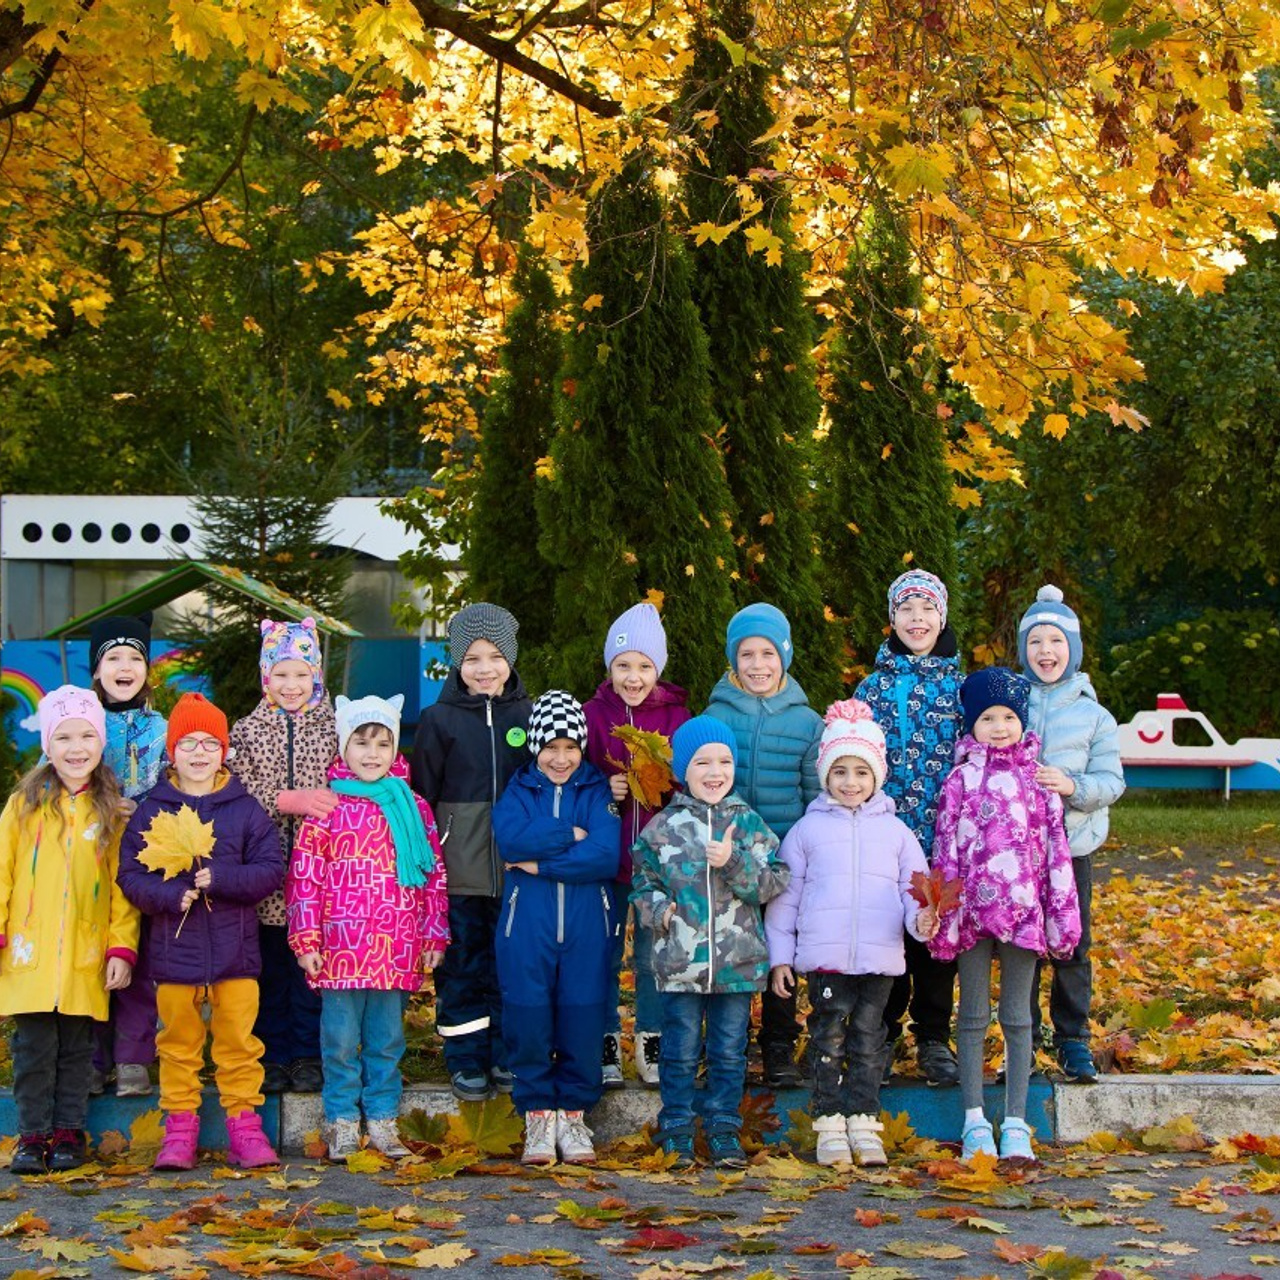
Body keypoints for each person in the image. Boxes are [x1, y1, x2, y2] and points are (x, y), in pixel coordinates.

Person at [116, 693, 284, 1169]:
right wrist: (170, 895)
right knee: (177, 1044)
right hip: (175, 955)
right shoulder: (154, 810)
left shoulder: (245, 809)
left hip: (236, 954)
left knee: (238, 1043)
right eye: (187, 742)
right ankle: (180, 1128)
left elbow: (272, 868)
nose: (198, 752)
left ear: (224, 750)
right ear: (172, 751)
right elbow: (130, 875)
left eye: (210, 742)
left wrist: (224, 879)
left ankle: (245, 1127)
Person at [765, 700, 935, 1167]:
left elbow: (914, 891)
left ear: (876, 776)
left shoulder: (898, 834)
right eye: (839, 771)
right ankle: (828, 1122)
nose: (850, 782)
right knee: (828, 1038)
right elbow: (786, 900)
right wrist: (781, 956)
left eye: (861, 772)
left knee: (868, 1038)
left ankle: (864, 1119)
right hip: (826, 960)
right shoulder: (805, 831)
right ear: (825, 775)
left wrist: (920, 921)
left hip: (880, 958)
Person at [927, 668, 1081, 1164]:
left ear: (1022, 721)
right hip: (972, 918)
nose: (998, 726)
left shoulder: (1039, 784)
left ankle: (1015, 1121)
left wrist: (1062, 918)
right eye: (987, 717)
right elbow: (945, 851)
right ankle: (974, 1119)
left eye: (1008, 717)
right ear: (971, 723)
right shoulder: (959, 781)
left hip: (1023, 918)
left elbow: (1057, 855)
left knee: (1018, 1017)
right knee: (971, 1016)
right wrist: (943, 914)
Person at [287, 694, 450, 1160]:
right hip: (340, 948)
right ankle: (341, 1120)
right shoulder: (327, 806)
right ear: (345, 747)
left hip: (395, 945)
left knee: (387, 1040)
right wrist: (305, 938)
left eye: (383, 742)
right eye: (362, 741)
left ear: (396, 748)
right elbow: (306, 877)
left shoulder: (413, 806)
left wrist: (433, 933)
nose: (372, 752)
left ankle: (381, 1119)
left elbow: (433, 874)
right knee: (339, 1042)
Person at [631, 717, 790, 1169]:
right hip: (680, 965)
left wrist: (734, 861)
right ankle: (677, 1126)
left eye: (723, 761)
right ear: (684, 770)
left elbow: (773, 882)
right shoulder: (664, 828)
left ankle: (723, 1126)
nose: (714, 771)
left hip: (737, 968)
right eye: (702, 762)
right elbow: (642, 882)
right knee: (679, 1051)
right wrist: (660, 911)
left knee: (727, 1050)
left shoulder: (750, 825)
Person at [0, 687, 139, 1175]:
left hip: (85, 954)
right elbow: (2, 870)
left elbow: (123, 887)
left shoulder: (112, 811)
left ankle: (67, 1134)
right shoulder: (24, 805)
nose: (75, 747)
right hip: (29, 954)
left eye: (86, 736)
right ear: (48, 745)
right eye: (64, 737)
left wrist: (121, 946)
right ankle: (32, 1136)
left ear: (100, 743)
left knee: (78, 1052)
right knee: (34, 1050)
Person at [493, 691, 620, 1166]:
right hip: (527, 925)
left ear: (582, 747)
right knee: (527, 1017)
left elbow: (604, 855)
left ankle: (573, 1113)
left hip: (589, 925)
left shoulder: (596, 789)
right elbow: (510, 839)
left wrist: (538, 864)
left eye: (571, 748)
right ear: (536, 747)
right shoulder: (520, 789)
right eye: (552, 747)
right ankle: (538, 1115)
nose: (561, 758)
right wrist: (569, 834)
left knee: (582, 1018)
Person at [410, 603, 532, 1102]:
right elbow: (423, 797)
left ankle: (507, 1054)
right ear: (458, 663)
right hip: (458, 870)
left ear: (511, 660)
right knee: (462, 965)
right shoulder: (438, 720)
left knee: (512, 965)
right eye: (474, 658)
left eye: (496, 656)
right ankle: (465, 1058)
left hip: (519, 869)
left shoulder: (529, 714)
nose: (485, 668)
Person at [703, 603, 821, 1088]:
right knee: (725, 949)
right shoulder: (716, 714)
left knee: (779, 951)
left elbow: (814, 795)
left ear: (784, 657)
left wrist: (807, 854)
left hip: (780, 858)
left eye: (767, 654)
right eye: (746, 654)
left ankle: (777, 1047)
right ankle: (725, 1046)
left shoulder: (807, 722)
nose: (757, 665)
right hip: (725, 854)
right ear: (734, 659)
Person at [855, 569, 963, 1088]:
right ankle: (880, 1031)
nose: (916, 620)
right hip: (885, 838)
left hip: (945, 836)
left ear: (941, 617)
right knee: (888, 936)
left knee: (935, 941)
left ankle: (934, 1037)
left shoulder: (961, 687)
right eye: (906, 610)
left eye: (926, 610)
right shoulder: (871, 687)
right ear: (892, 619)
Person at [1019, 585, 1125, 1083]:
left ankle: (1072, 1038)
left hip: (1071, 848)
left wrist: (1072, 785)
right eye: (1036, 641)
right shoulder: (1009, 703)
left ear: (1073, 649)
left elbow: (1112, 781)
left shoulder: (1093, 715)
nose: (1046, 651)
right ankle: (1024, 1038)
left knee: (1071, 945)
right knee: (1023, 947)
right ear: (1025, 651)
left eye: (1056, 641)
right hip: (1015, 851)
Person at [229, 617, 338, 1096]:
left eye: (301, 674)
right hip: (265, 875)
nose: (291, 685)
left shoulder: (334, 727)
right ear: (265, 678)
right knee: (270, 969)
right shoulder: (248, 731)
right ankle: (271, 1055)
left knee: (311, 971)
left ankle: (308, 1054)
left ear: (316, 674)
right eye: (281, 674)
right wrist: (283, 798)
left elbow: (350, 780)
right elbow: (234, 788)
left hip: (321, 876)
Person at [583, 602, 690, 1088]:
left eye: (644, 666)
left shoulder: (676, 716)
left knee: (652, 957)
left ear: (658, 669)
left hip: (656, 866)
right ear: (609, 667)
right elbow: (575, 778)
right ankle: (604, 1041)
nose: (633, 676)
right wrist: (606, 787)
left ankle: (651, 1040)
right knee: (602, 955)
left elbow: (690, 783)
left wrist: (661, 782)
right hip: (606, 861)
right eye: (624, 665)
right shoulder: (592, 716)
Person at [88, 613, 167, 1099]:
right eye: (113, 657)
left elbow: (179, 781)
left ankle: (134, 1057)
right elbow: (53, 778)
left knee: (142, 959)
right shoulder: (80, 720)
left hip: (148, 860)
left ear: (146, 668)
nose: (124, 666)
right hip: (91, 861)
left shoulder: (160, 726)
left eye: (134, 657)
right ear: (97, 670)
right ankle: (94, 1057)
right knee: (98, 958)